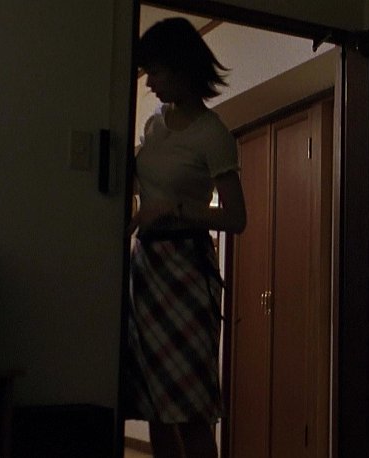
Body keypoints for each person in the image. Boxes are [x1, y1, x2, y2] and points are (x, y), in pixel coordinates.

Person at [124, 17, 246, 458]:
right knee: (155, 406)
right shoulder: (154, 125)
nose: (149, 82)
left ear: (181, 68)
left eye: (156, 71)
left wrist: (173, 208)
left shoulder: (212, 134)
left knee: (191, 408)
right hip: (147, 271)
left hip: (187, 273)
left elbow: (236, 217)